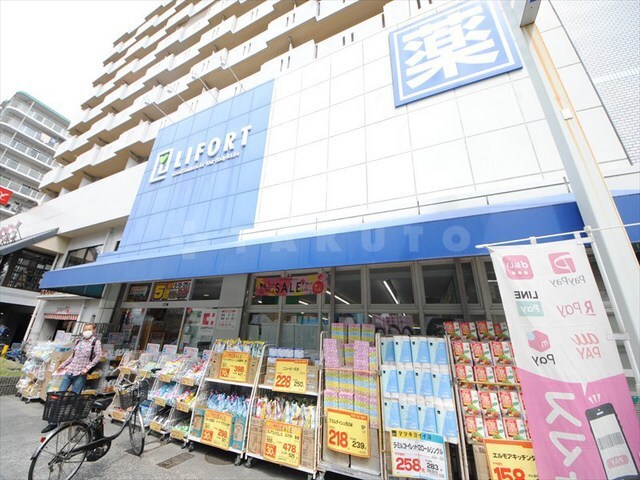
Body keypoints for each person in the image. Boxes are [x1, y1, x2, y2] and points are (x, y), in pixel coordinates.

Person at [41, 323, 102, 433]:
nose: (86, 331)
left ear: (94, 330)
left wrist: (87, 368)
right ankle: (53, 422)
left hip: (80, 374)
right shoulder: (79, 341)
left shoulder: (95, 342)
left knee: (74, 397)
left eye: (89, 329)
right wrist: (63, 364)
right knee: (59, 395)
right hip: (70, 371)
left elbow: (98, 357)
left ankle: (73, 420)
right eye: (85, 329)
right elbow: (73, 356)